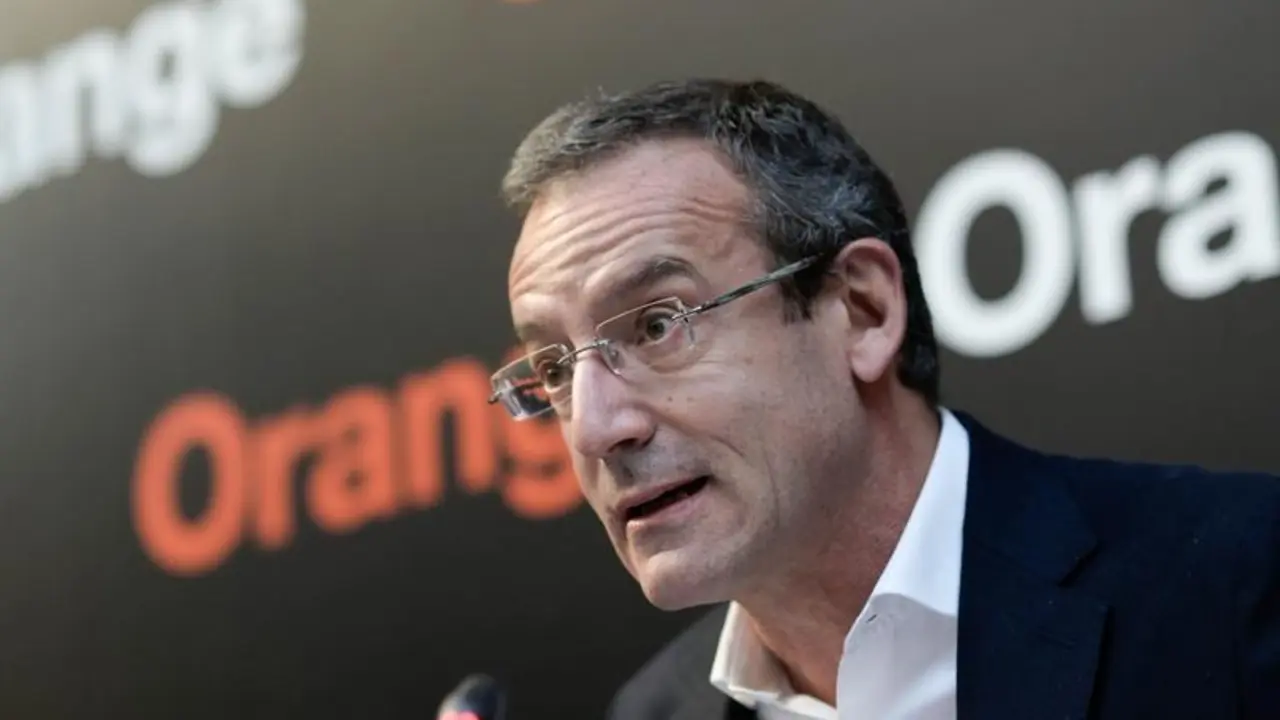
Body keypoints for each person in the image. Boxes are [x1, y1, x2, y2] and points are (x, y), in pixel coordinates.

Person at [488, 78, 1280, 719]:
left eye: (659, 324)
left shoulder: (1237, 584)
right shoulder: (654, 710)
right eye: (553, 368)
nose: (594, 428)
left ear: (862, 311)